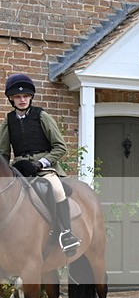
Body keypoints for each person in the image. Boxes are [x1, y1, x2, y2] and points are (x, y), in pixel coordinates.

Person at [0, 73, 80, 256]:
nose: (22, 100)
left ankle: (66, 234)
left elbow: (60, 147)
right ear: (11, 99)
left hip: (44, 168)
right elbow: (3, 153)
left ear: (31, 97)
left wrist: (40, 163)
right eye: (18, 97)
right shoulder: (8, 122)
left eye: (25, 96)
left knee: (56, 189)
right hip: (19, 169)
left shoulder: (42, 116)